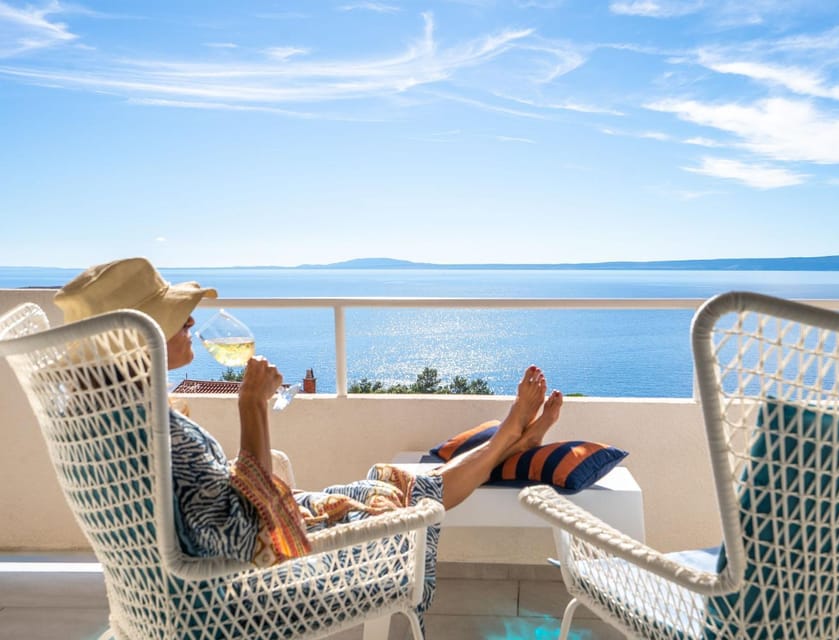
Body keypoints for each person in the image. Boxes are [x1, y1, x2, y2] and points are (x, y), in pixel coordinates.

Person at [53, 256, 564, 629]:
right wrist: (252, 406)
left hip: (171, 596)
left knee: (383, 479)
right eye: (173, 316)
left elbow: (203, 513)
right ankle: (508, 440)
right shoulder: (158, 432)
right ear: (133, 340)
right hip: (243, 594)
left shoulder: (101, 422)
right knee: (410, 499)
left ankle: (507, 440)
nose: (190, 321)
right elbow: (239, 539)